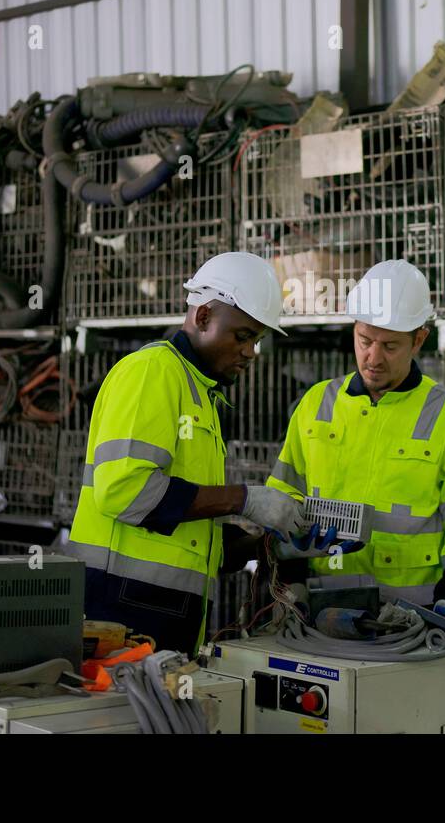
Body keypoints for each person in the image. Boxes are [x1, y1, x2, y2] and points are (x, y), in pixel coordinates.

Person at [66, 252, 306, 653]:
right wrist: (245, 499)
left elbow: (184, 524)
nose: (251, 352)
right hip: (116, 613)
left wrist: (266, 542)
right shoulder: (153, 372)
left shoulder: (203, 396)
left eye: (257, 340)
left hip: (161, 615)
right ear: (203, 316)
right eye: (243, 336)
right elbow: (126, 491)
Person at [267, 259, 445, 640]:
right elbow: (282, 498)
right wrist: (290, 581)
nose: (373, 358)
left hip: (416, 622)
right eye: (365, 340)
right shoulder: (315, 404)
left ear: (419, 339)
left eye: (390, 345)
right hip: (323, 614)